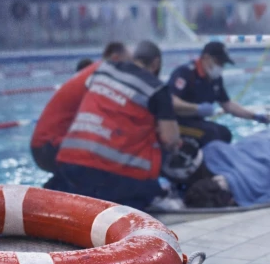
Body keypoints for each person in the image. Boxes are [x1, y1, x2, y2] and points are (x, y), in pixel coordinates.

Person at [51, 41, 181, 210]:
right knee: (161, 144)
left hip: (70, 165)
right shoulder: (156, 89)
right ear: (156, 63)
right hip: (113, 179)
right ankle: (153, 193)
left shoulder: (104, 70)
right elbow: (170, 139)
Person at [31, 42, 129, 173]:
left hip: (45, 145)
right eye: (130, 65)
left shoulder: (95, 73)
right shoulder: (101, 75)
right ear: (116, 59)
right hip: (48, 147)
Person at [167, 41, 270, 147]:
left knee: (225, 134)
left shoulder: (215, 79)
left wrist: (255, 116)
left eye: (222, 64)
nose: (220, 67)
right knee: (210, 134)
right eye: (219, 62)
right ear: (206, 58)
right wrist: (197, 108)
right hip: (176, 123)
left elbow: (228, 105)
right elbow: (171, 101)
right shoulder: (185, 73)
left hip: (196, 122)